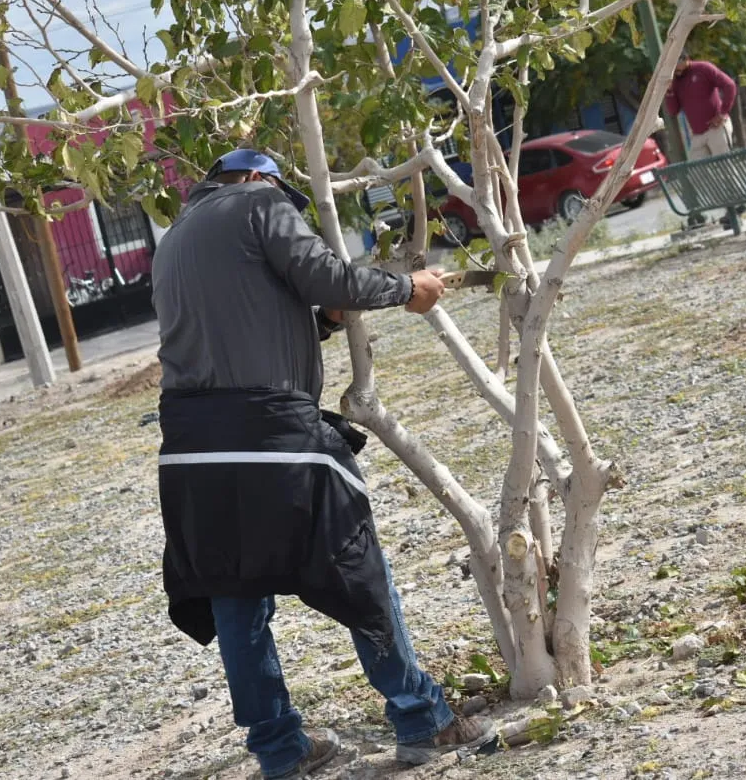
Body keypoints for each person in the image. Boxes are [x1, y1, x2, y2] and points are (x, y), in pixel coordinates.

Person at [152, 149, 495, 779]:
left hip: (191, 451)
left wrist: (327, 326)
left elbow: (249, 332)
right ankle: (424, 721)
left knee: (237, 598)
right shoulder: (260, 202)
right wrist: (404, 289)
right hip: (272, 438)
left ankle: (280, 752)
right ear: (261, 178)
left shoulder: (175, 236)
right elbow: (327, 275)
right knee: (360, 572)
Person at [664, 51, 745, 229]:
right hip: (698, 134)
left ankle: (736, 207)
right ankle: (727, 205)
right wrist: (669, 92)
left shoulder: (703, 68)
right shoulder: (676, 81)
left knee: (725, 167)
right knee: (697, 172)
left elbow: (729, 85)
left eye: (676, 65)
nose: (674, 70)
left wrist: (722, 113)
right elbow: (673, 111)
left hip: (716, 128)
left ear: (685, 59)